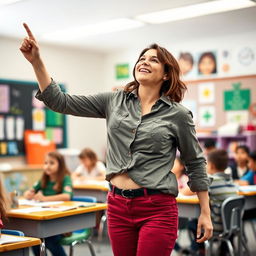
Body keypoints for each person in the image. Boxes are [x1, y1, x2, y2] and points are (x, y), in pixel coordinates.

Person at [20, 23, 213, 256]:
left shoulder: (178, 115)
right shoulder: (114, 101)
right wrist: (36, 62)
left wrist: (205, 211)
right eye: (142, 58)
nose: (144, 61)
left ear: (166, 73)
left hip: (157, 208)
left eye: (153, 60)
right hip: (118, 206)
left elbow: (195, 162)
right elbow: (59, 101)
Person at [24, 151, 72, 256]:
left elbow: (66, 196)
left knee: (50, 240)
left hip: (61, 223)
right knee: (34, 238)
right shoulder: (43, 179)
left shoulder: (65, 178)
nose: (47, 166)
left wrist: (44, 198)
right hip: (46, 221)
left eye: (51, 163)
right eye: (45, 163)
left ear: (60, 165)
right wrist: (29, 194)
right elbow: (29, 191)